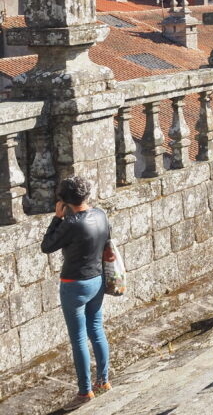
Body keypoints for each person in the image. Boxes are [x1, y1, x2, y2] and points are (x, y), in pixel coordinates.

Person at [41, 176, 112, 411]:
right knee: (97, 330)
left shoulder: (72, 223)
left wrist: (56, 218)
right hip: (98, 279)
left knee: (79, 339)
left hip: (74, 284)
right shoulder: (100, 214)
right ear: (86, 195)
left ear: (65, 201)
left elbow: (47, 246)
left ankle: (85, 391)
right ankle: (103, 381)